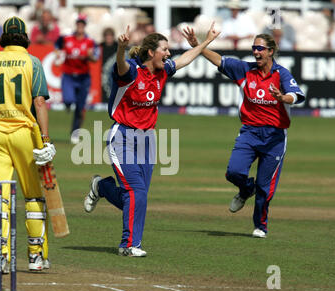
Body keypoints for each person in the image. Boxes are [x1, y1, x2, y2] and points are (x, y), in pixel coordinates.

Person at [83, 23, 220, 257]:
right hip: (122, 137)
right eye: (164, 49)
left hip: (147, 140)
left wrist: (205, 42)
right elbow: (120, 64)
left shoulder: (163, 71)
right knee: (136, 192)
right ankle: (128, 245)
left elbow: (185, 59)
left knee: (138, 195)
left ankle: (102, 187)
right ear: (151, 52)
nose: (168, 54)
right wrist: (120, 48)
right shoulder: (132, 72)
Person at [197, 34, 305, 238]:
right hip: (249, 131)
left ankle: (260, 226)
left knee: (265, 188)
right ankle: (246, 189)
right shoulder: (245, 70)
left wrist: (283, 97)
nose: (256, 52)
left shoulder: (281, 74)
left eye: (260, 48)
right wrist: (198, 46)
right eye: (254, 48)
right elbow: (219, 60)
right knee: (233, 172)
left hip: (274, 137)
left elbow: (296, 95)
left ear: (271, 51)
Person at [0, 16, 56, 272]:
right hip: (24, 133)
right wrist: (46, 139)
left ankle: (0, 258)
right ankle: (36, 257)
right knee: (33, 195)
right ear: (25, 37)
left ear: (4, 37)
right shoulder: (32, 62)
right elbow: (39, 102)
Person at [54, 14, 99, 144]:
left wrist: (90, 56)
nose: (80, 25)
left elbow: (95, 57)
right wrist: (58, 54)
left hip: (83, 77)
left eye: (82, 23)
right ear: (76, 24)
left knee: (80, 107)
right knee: (68, 100)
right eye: (78, 23)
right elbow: (57, 45)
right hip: (68, 75)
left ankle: (75, 132)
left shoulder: (90, 41)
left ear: (85, 25)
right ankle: (68, 105)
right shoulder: (67, 38)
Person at [100, 27, 118, 104]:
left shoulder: (118, 47)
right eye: (107, 35)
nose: (109, 37)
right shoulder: (100, 47)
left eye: (110, 35)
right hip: (103, 74)